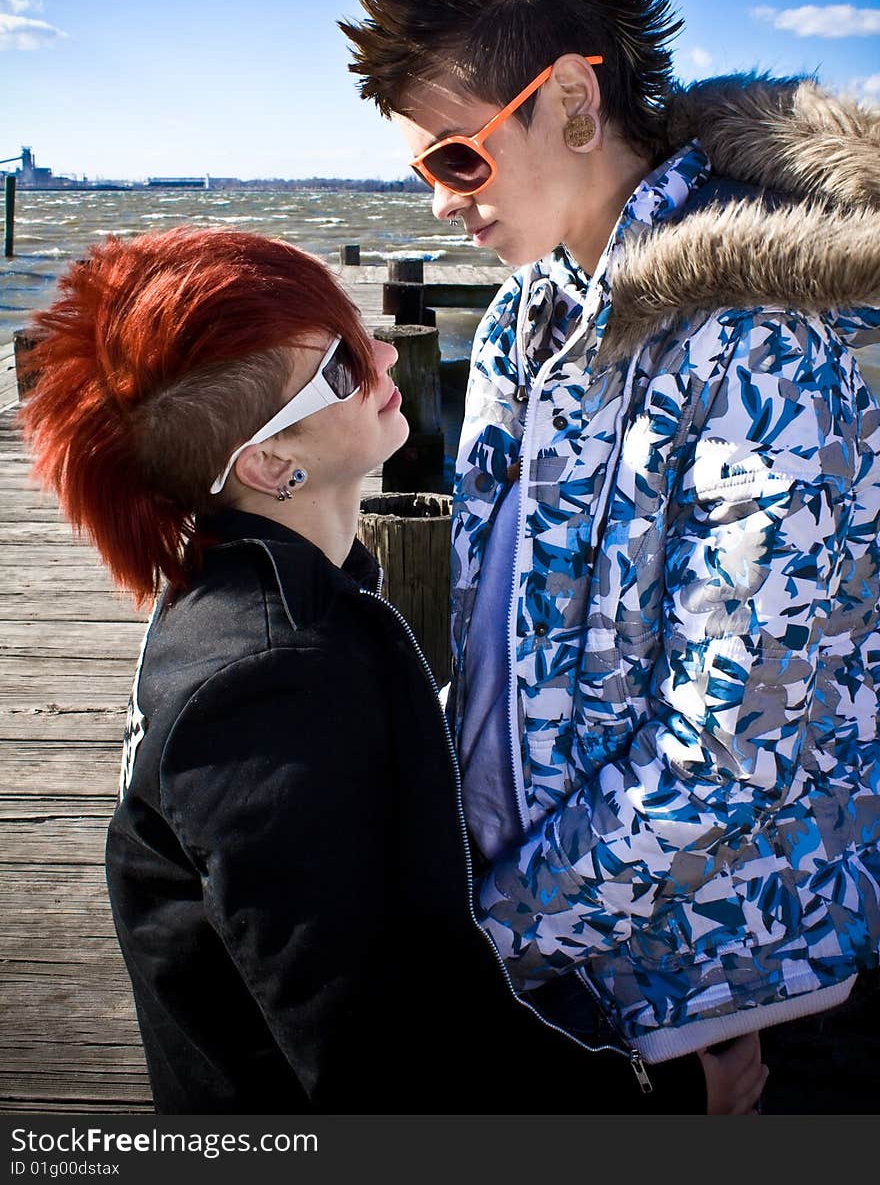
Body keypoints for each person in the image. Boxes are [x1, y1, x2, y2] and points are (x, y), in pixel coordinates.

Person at [341, 0, 880, 1110]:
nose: (439, 206)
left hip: (724, 998)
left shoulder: (762, 336)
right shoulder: (531, 315)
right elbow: (496, 641)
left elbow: (731, 741)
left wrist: (495, 936)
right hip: (566, 974)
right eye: (422, 170)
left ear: (574, 101)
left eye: (458, 160)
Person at [19, 226, 765, 1114]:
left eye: (352, 327)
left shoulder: (260, 600)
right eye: (337, 366)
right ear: (269, 463)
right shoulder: (267, 684)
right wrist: (669, 1103)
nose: (380, 354)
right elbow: (389, 1062)